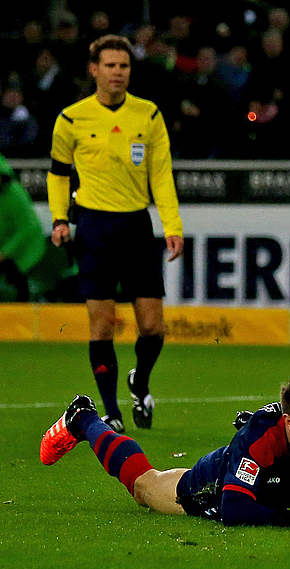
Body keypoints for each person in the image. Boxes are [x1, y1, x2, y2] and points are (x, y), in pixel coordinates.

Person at [39, 371, 290, 529]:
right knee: (144, 486)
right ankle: (84, 420)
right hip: (214, 486)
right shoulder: (261, 438)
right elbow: (234, 510)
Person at [46, 35, 184, 433]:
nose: (118, 73)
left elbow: (161, 175)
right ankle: (112, 411)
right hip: (93, 227)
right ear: (94, 70)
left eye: (123, 66)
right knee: (101, 324)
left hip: (136, 226)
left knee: (154, 326)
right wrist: (60, 219)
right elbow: (58, 174)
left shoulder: (149, 115)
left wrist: (172, 226)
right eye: (110, 66)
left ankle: (139, 382)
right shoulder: (71, 119)